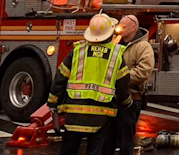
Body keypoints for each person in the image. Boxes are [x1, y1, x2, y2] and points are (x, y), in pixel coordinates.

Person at [49, 13, 131, 155]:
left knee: (69, 149)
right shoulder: (116, 55)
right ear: (110, 33)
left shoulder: (77, 51)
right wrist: (127, 103)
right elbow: (123, 85)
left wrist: (53, 103)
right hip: (100, 116)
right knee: (95, 150)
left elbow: (60, 78)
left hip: (74, 114)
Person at [105, 15, 155, 155]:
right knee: (109, 138)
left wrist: (119, 78)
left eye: (124, 27)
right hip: (112, 98)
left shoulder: (143, 47)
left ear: (134, 27)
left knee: (126, 139)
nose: (119, 29)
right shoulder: (116, 43)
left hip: (132, 99)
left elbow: (143, 71)